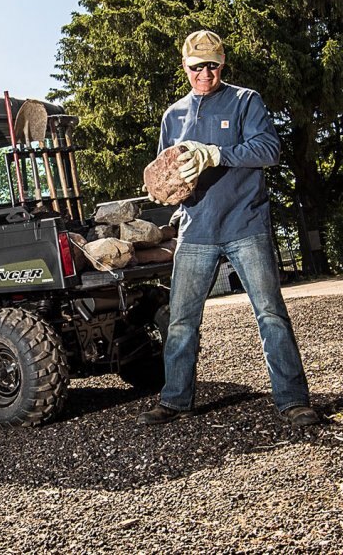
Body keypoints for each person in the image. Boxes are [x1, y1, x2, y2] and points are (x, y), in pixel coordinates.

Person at [138, 30, 320, 427]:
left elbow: (268, 150)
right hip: (195, 229)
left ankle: (293, 401)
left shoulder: (245, 101)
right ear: (185, 67)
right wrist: (165, 190)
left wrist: (217, 154)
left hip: (245, 224)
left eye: (213, 65)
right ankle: (174, 399)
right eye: (197, 66)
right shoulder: (174, 116)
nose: (206, 73)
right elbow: (167, 172)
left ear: (223, 64)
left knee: (270, 314)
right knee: (182, 321)